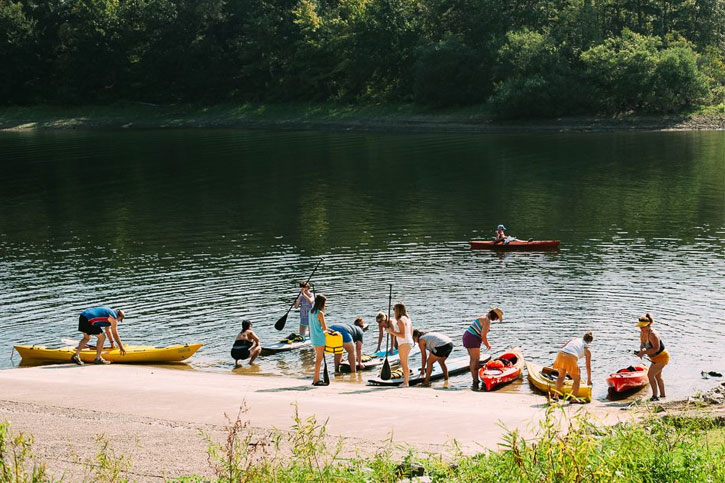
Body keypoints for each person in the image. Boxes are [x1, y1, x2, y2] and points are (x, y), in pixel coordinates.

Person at [463, 308, 503, 388]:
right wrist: (487, 345)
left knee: (472, 359)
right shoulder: (487, 321)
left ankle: (475, 380)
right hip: (473, 338)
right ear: (494, 315)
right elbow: (483, 335)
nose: (496, 320)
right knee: (476, 360)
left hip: (467, 336)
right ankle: (475, 380)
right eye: (497, 318)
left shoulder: (483, 316)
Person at [635, 313, 669, 401]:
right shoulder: (642, 333)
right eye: (640, 326)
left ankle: (654, 396)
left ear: (648, 325)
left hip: (662, 356)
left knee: (650, 375)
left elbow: (656, 348)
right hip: (654, 357)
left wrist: (643, 353)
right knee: (658, 377)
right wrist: (641, 350)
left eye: (642, 327)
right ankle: (663, 396)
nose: (640, 328)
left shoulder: (653, 334)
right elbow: (643, 345)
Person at [552, 331, 593, 402]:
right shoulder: (587, 350)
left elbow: (563, 346)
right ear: (590, 342)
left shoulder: (574, 339)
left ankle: (556, 396)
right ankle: (573, 398)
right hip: (570, 358)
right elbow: (588, 367)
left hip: (561, 354)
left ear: (583, 337)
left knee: (561, 376)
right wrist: (589, 380)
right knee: (577, 380)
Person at [385, 303, 413, 387]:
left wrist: (391, 332)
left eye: (394, 309)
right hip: (409, 342)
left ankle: (405, 383)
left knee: (404, 364)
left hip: (403, 343)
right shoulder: (408, 319)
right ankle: (406, 381)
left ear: (398, 310)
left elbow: (402, 335)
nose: (393, 311)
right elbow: (410, 332)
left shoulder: (401, 320)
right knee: (405, 363)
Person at [309, 294, 334, 386]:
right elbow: (324, 328)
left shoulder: (311, 312)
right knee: (319, 359)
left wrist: (329, 329)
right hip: (320, 338)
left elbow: (319, 326)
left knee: (318, 358)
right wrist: (329, 330)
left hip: (314, 337)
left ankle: (316, 378)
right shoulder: (320, 313)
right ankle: (316, 379)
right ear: (322, 303)